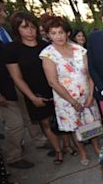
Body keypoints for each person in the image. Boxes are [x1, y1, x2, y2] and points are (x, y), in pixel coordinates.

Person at [4, 12, 66, 165]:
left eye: (32, 27)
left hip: (54, 89)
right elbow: (16, 77)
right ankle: (58, 150)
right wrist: (32, 97)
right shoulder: (11, 49)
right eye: (25, 27)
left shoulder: (46, 46)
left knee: (61, 120)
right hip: (33, 93)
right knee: (45, 123)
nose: (30, 31)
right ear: (17, 29)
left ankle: (68, 146)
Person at [40, 16, 101, 165]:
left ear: (67, 33)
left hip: (86, 95)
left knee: (90, 123)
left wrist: (91, 95)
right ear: (48, 35)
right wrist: (73, 102)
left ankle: (96, 147)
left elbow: (89, 73)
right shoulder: (48, 54)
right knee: (75, 127)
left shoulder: (79, 49)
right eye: (53, 33)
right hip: (66, 100)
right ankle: (82, 152)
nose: (58, 36)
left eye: (60, 32)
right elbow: (52, 82)